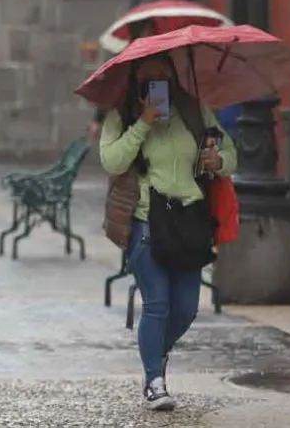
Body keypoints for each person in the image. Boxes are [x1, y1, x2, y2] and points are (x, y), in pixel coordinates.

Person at [98, 52, 236, 412]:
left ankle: (154, 355)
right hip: (147, 220)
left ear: (174, 77)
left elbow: (231, 154)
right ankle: (153, 383)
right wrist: (143, 121)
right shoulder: (122, 115)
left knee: (187, 309)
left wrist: (216, 160)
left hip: (188, 219)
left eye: (163, 74)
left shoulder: (193, 112)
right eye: (149, 77)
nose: (158, 82)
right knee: (157, 304)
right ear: (136, 80)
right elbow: (112, 161)